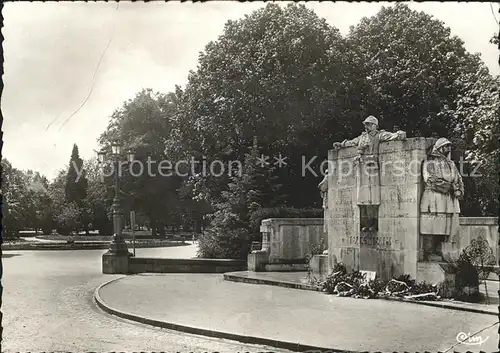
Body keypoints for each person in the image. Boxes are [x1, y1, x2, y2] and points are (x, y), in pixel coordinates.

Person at [332, 116, 406, 231]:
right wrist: (341, 144)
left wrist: (398, 134)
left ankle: (375, 223)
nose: (367, 127)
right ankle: (367, 222)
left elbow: (390, 136)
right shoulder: (362, 137)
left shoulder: (379, 135)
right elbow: (352, 142)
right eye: (366, 124)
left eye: (369, 124)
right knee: (363, 197)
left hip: (373, 168)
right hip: (362, 169)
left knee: (373, 197)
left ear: (375, 125)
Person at [420, 137, 463, 260]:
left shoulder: (450, 163)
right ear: (439, 148)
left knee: (445, 226)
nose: (449, 149)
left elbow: (458, 178)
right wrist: (449, 187)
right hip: (434, 197)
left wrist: (459, 189)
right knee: (432, 225)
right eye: (446, 146)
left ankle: (440, 251)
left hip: (448, 199)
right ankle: (429, 253)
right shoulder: (430, 161)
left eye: (449, 146)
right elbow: (429, 179)